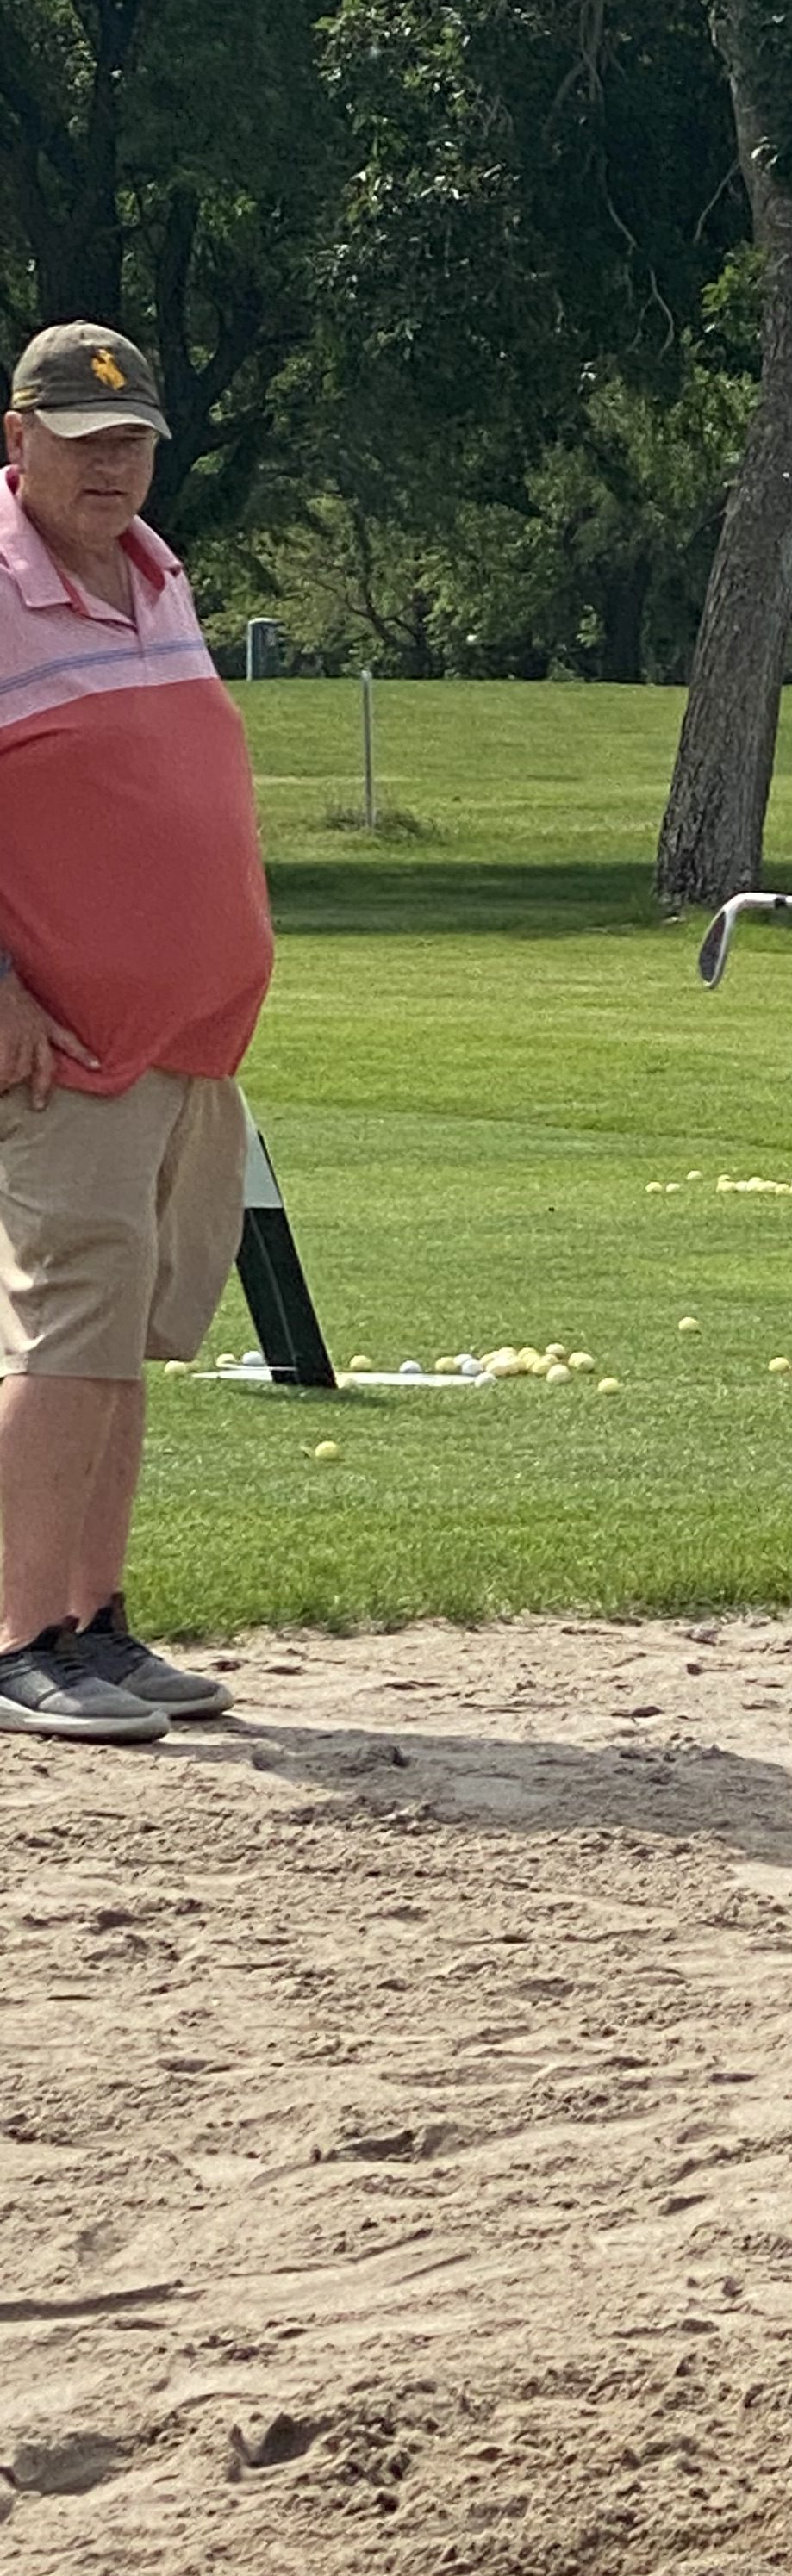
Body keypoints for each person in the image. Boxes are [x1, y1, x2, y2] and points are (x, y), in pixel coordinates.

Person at [0, 321, 272, 1743]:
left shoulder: (156, 574)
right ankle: (20, 1632)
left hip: (183, 1042)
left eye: (134, 442)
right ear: (17, 439)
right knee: (68, 1336)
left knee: (119, 1340)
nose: (115, 466)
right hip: (70, 1049)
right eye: (84, 439)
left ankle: (94, 1626)